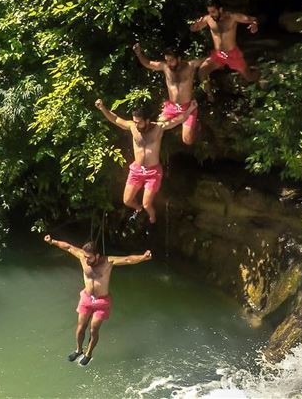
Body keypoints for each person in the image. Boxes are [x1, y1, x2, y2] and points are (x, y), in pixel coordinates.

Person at [44, 234, 151, 367]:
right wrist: (52, 241)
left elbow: (128, 259)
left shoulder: (108, 262)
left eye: (90, 257)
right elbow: (68, 247)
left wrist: (143, 257)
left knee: (94, 330)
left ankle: (88, 354)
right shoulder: (83, 257)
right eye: (85, 256)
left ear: (98, 255)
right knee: (80, 327)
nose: (86, 259)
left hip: (101, 302)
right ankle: (78, 350)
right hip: (86, 299)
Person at [95, 97, 198, 226]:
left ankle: (152, 215)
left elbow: (178, 120)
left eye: (139, 122)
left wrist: (190, 109)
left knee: (147, 203)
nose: (136, 125)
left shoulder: (159, 128)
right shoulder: (132, 127)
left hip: (152, 172)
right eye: (135, 122)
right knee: (127, 201)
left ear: (148, 120)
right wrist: (102, 108)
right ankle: (138, 208)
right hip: (136, 171)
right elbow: (115, 119)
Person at [190, 0, 259, 100]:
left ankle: (262, 75)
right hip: (218, 55)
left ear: (220, 9)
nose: (211, 14)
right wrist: (195, 25)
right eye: (209, 12)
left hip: (232, 54)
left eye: (213, 11)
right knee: (202, 71)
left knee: (249, 77)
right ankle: (209, 95)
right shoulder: (208, 19)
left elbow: (252, 19)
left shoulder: (232, 17)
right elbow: (193, 29)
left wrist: (254, 24)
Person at [132, 43, 203, 145]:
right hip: (172, 107)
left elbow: (207, 60)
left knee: (187, 140)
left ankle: (196, 127)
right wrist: (139, 53)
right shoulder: (165, 67)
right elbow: (147, 63)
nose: (169, 63)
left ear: (178, 59)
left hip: (188, 106)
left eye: (171, 60)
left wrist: (221, 53)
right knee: (158, 126)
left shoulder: (190, 66)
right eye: (167, 60)